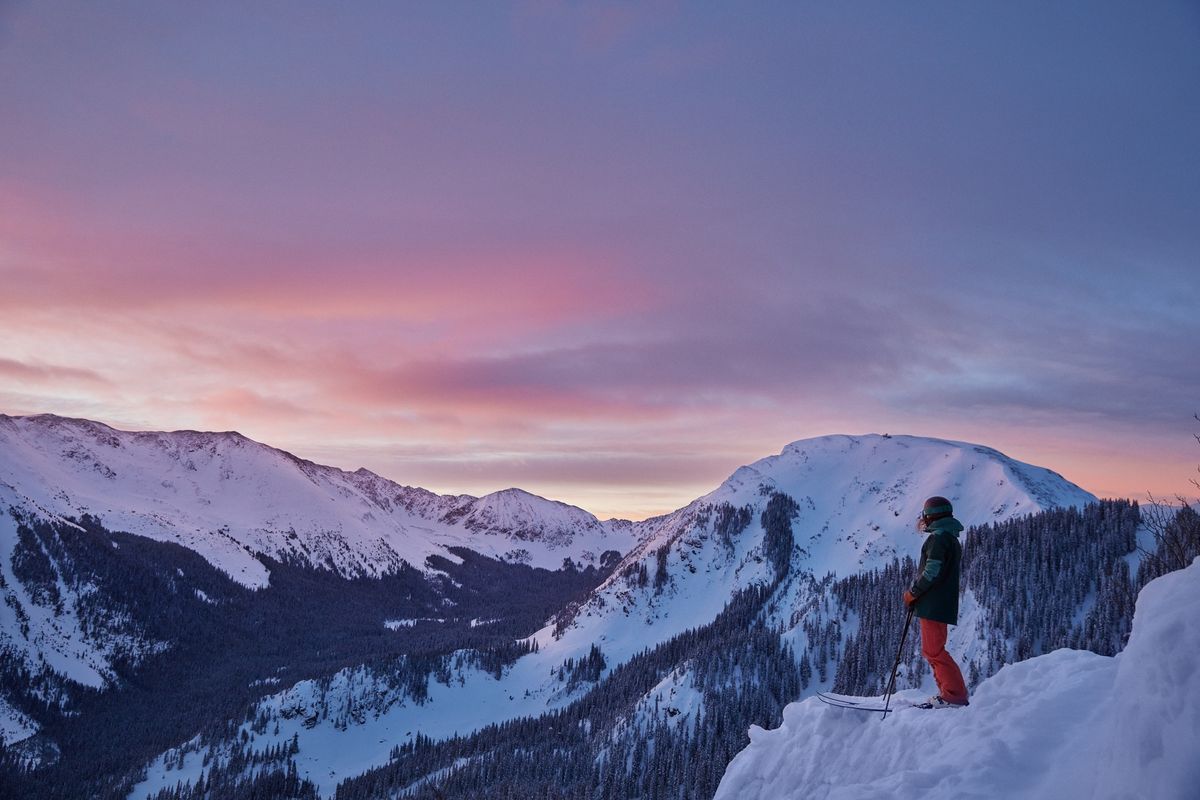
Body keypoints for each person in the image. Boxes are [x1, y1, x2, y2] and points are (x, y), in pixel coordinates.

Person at [903, 495, 969, 708]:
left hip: (933, 603)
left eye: (925, 516)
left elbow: (932, 571)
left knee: (934, 650)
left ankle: (953, 695)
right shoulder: (950, 538)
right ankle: (948, 694)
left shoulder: (938, 539)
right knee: (933, 649)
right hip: (938, 602)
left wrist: (913, 592)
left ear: (931, 517)